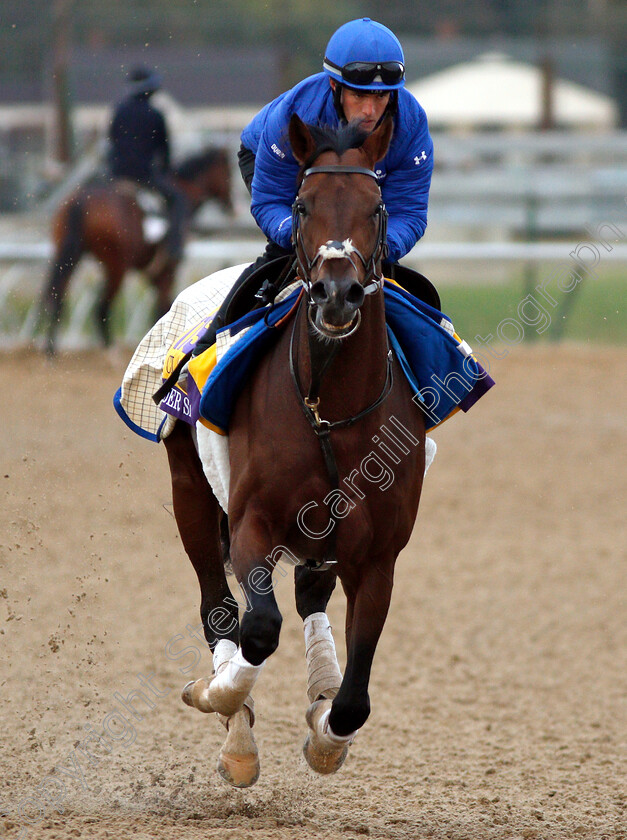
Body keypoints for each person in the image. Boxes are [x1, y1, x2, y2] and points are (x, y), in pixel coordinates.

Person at [237, 17, 433, 285]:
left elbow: (408, 212)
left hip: (364, 183)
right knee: (289, 251)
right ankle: (220, 326)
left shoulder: (411, 125)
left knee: (377, 258)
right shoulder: (291, 118)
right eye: (359, 95)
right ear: (334, 86)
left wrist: (378, 246)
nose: (370, 111)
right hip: (276, 157)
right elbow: (270, 200)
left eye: (381, 96)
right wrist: (294, 234)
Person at [108, 65, 188, 262]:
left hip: (117, 175)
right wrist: (166, 173)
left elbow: (112, 141)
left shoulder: (119, 111)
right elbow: (164, 151)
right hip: (144, 176)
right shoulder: (155, 115)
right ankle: (174, 249)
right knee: (178, 200)